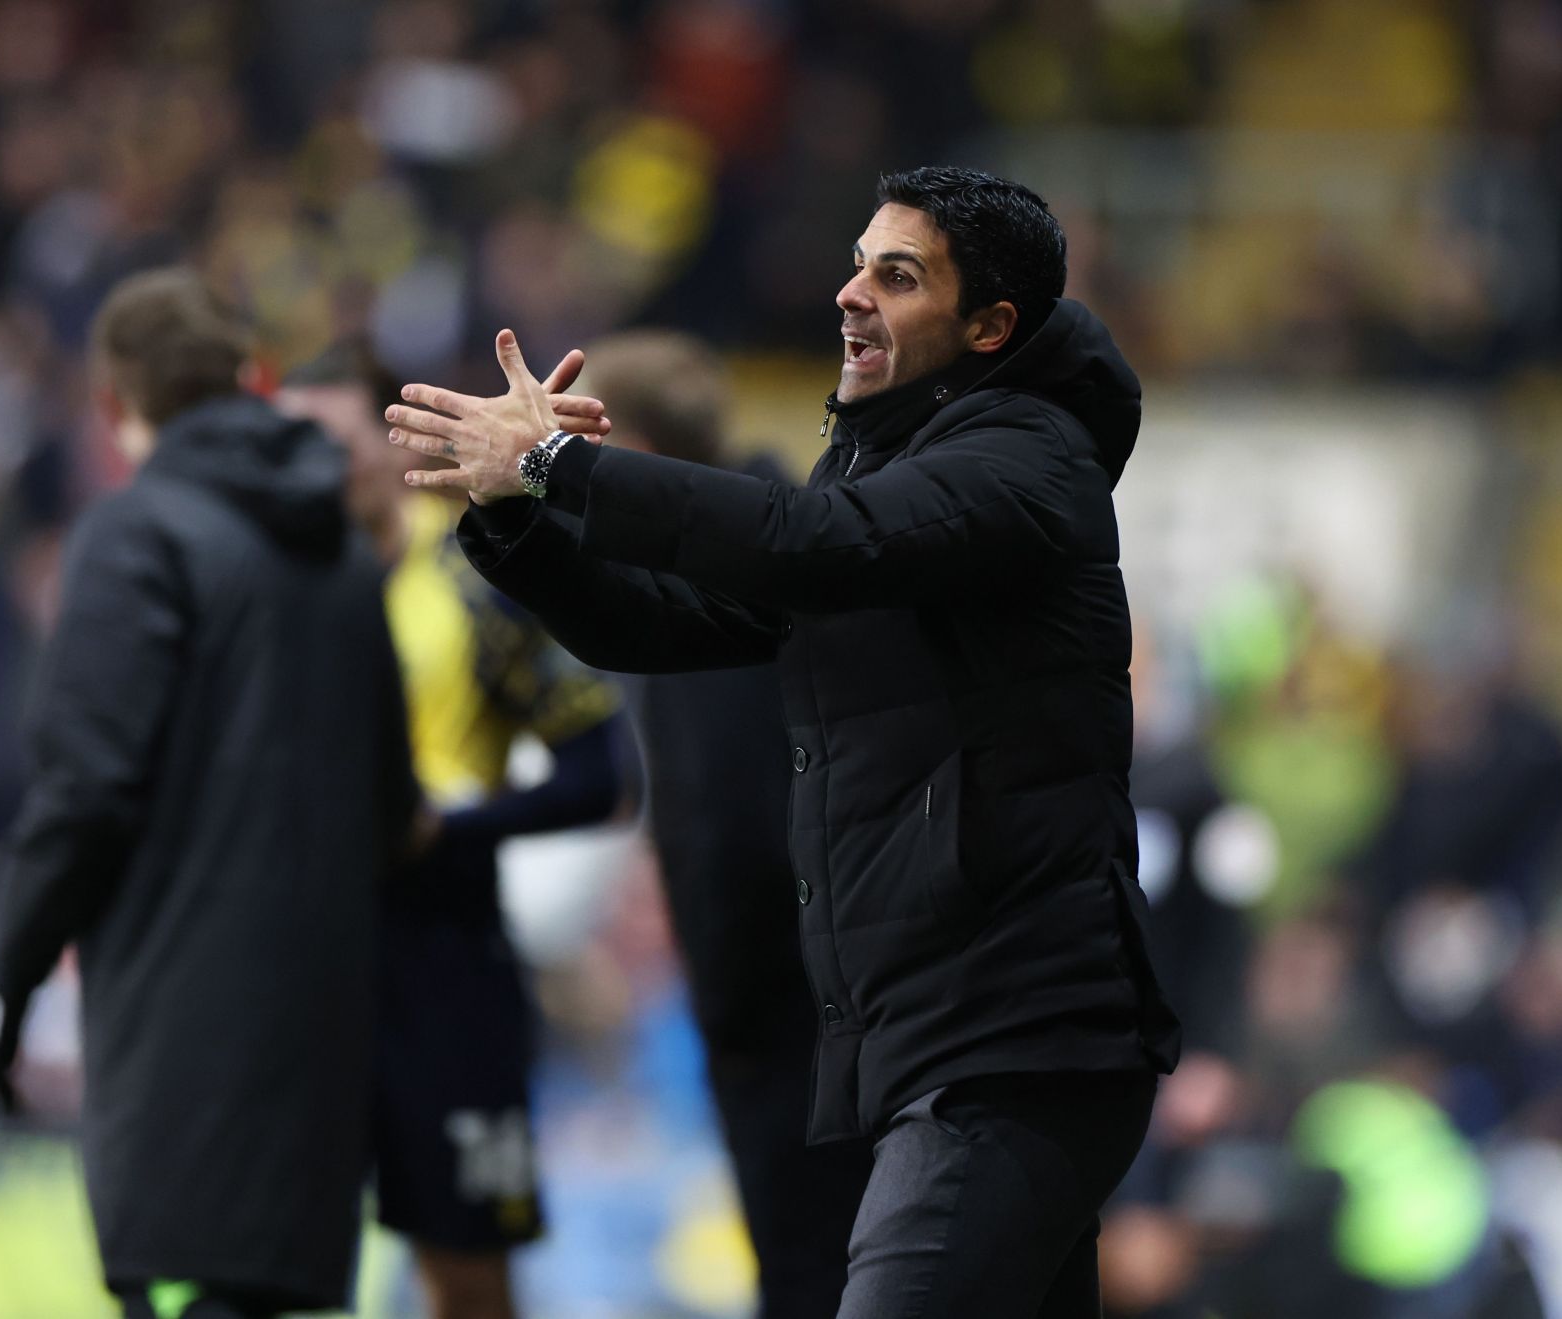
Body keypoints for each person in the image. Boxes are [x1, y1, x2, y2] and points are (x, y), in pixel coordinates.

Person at [383, 165, 1183, 1317]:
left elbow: (807, 542)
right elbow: (658, 624)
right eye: (857, 263)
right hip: (923, 1041)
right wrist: (515, 516)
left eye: (897, 275)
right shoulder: (885, 472)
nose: (852, 294)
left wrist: (564, 465)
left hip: (1012, 1040)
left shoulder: (1028, 457)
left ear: (990, 324)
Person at [0, 268, 415, 1319]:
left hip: (178, 1043)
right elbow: (391, 804)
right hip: (319, 1043)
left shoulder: (136, 535)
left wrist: (10, 974)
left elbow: (84, 789)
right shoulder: (344, 556)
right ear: (250, 379)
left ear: (114, 400)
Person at [277, 341, 630, 1319]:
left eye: (332, 441)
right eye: (288, 443)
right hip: (304, 961)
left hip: (445, 959)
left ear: (392, 444)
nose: (309, 466)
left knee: (467, 1271)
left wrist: (450, 829)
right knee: (278, 1260)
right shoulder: (271, 589)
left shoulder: (478, 570)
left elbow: (602, 775)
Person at [570, 330, 870, 1319]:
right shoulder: (781, 542)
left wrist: (731, 1017)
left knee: (811, 1275)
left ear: (640, 450)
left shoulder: (719, 583)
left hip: (792, 1012)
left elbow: (737, 825)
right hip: (834, 1002)